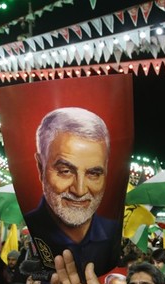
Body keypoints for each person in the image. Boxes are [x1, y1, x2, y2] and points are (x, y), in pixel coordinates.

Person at [24, 107, 121, 275]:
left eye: (93, 173)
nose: (80, 190)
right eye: (65, 171)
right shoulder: (31, 233)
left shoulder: (114, 234)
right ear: (40, 167)